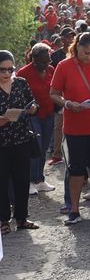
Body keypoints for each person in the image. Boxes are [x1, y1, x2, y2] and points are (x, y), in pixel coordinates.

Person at [49, 31, 90, 225]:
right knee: (76, 169)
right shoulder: (64, 66)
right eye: (85, 52)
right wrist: (68, 104)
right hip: (74, 126)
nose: (89, 57)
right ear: (77, 47)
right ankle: (74, 210)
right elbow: (53, 93)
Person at [0, 50, 41, 234]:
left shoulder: (21, 83)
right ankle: (3, 220)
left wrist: (32, 108)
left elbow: (31, 103)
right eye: (2, 70)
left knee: (22, 180)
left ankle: (22, 218)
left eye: (10, 69)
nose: (7, 73)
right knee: (1, 182)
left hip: (22, 139)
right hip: (2, 142)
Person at [17, 44, 56, 193]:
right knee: (35, 146)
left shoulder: (51, 70)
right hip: (32, 116)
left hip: (48, 113)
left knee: (44, 148)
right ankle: (30, 180)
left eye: (48, 61)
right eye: (42, 62)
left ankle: (39, 179)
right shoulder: (23, 73)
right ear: (33, 60)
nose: (45, 65)